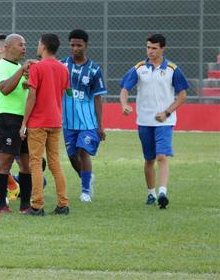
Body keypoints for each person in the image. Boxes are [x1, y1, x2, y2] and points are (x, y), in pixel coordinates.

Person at [119, 34, 188, 209]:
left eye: (154, 48)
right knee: (149, 159)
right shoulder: (139, 68)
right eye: (148, 47)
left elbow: (182, 95)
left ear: (162, 49)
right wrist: (124, 104)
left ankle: (163, 193)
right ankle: (151, 193)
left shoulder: (173, 69)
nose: (150, 51)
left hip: (165, 122)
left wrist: (166, 113)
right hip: (144, 121)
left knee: (162, 156)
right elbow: (125, 89)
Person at [20, 33, 70, 216]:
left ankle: (37, 205)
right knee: (55, 162)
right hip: (56, 121)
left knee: (35, 162)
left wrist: (24, 123)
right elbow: (59, 92)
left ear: (43, 46)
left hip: (38, 122)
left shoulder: (37, 68)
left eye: (39, 43)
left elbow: (33, 96)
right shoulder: (64, 69)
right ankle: (63, 204)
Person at [0, 34, 36, 213]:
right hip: (6, 118)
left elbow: (25, 87)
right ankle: (2, 205)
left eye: (25, 44)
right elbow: (5, 89)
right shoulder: (0, 66)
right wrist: (21, 71)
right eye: (20, 44)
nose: (24, 47)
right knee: (6, 160)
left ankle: (25, 205)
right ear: (7, 47)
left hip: (22, 119)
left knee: (26, 163)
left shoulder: (19, 67)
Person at [60, 29, 107, 202]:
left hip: (88, 121)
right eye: (72, 45)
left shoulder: (94, 70)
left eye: (79, 45)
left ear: (86, 46)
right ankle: (87, 177)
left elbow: (97, 98)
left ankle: (86, 191)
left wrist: (100, 125)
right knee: (72, 156)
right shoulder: (62, 65)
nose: (75, 48)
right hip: (68, 121)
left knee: (83, 151)